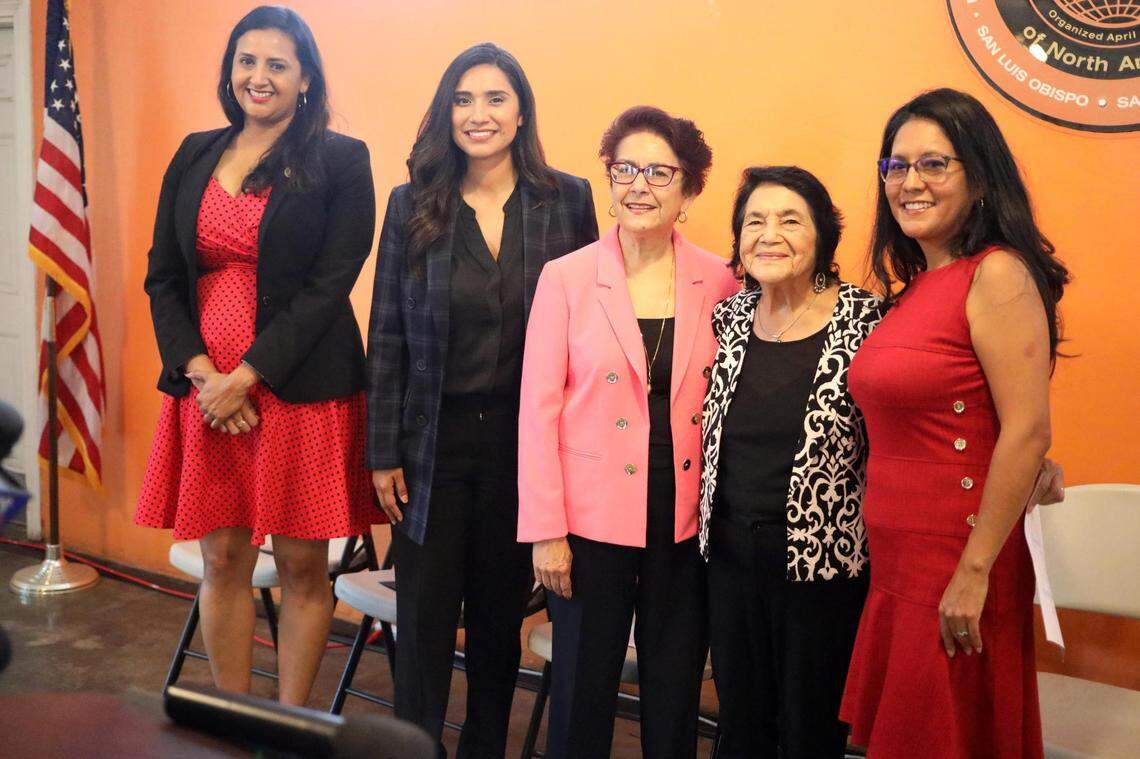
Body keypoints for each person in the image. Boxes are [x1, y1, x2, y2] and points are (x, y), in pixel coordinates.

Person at [136, 6, 377, 706]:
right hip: (206, 389)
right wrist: (203, 372)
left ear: (305, 78)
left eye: (277, 63)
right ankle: (236, 720)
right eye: (248, 60)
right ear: (230, 71)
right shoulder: (193, 153)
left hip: (301, 387)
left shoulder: (341, 158)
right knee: (223, 558)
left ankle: (292, 723)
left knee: (304, 565)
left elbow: (333, 281)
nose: (259, 76)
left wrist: (249, 374)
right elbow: (162, 276)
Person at [366, 43, 598, 757]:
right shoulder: (413, 202)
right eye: (463, 100)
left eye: (495, 98)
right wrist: (381, 453)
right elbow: (387, 332)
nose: (479, 114)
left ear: (521, 110)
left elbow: (589, 330)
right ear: (446, 112)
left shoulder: (567, 199)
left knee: (500, 628)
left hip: (523, 450)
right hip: (429, 448)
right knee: (425, 629)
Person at [839, 87, 1069, 758]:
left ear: (978, 174)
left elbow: (1028, 430)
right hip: (900, 563)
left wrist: (973, 571)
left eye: (934, 164)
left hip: (957, 560)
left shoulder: (996, 274)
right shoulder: (920, 287)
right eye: (896, 166)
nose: (909, 182)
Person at [519, 106, 737, 759]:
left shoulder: (722, 278)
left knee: (674, 694)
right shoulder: (566, 276)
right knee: (583, 688)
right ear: (609, 179)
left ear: (690, 190)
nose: (640, 185)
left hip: (684, 521)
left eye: (660, 172)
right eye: (625, 169)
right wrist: (546, 532)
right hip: (588, 526)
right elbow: (538, 409)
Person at [698, 166, 884, 757]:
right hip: (727, 560)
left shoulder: (867, 321)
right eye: (755, 220)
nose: (769, 234)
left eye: (789, 220)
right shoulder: (728, 319)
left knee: (809, 732)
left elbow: (905, 433)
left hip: (822, 568)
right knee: (742, 726)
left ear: (823, 237)